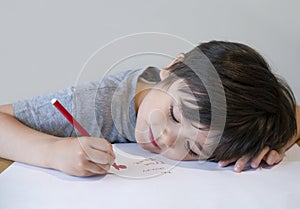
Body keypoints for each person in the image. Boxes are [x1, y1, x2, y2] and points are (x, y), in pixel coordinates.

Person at [0, 41, 299, 176]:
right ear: (172, 68)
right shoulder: (98, 103)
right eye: (174, 115)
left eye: (192, 149)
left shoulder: (229, 127)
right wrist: (53, 153)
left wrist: (275, 142)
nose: (168, 139)